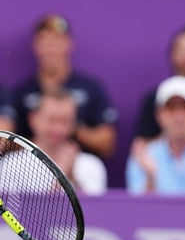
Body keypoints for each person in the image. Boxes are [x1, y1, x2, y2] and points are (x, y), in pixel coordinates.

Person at [10, 13, 118, 159]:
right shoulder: (22, 92)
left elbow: (107, 143)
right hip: (30, 165)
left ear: (69, 43)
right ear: (36, 46)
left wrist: (66, 126)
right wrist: (42, 136)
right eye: (45, 41)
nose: (51, 48)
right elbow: (6, 141)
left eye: (57, 40)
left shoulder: (91, 89)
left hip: (79, 164)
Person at [21, 87, 108, 195]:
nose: (58, 129)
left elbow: (96, 209)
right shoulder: (12, 165)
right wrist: (63, 175)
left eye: (65, 121)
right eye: (52, 120)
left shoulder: (92, 165)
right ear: (33, 119)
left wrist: (72, 176)